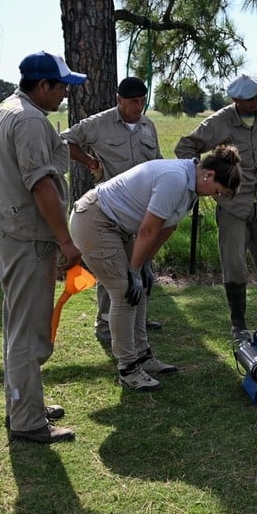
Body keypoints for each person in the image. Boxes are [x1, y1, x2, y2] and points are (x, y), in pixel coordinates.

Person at [0, 51, 94, 444]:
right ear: (43, 85)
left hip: (11, 232)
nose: (66, 93)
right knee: (29, 333)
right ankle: (28, 421)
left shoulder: (9, 108)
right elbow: (42, 186)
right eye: (62, 85)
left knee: (17, 326)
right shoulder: (30, 120)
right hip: (29, 238)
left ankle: (23, 404)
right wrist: (66, 241)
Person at [69, 145, 242, 391]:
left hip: (118, 226)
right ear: (209, 175)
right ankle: (128, 368)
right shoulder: (175, 179)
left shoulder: (192, 190)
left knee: (141, 288)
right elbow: (148, 229)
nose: (214, 197)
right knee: (124, 291)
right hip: (94, 219)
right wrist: (133, 269)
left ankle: (143, 356)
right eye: (217, 191)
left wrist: (145, 265)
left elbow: (164, 228)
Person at [174, 74, 257, 341]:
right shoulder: (219, 121)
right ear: (235, 100)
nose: (256, 103)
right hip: (232, 204)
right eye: (250, 99)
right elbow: (185, 147)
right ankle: (238, 323)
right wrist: (204, 180)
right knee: (234, 265)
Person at [61, 77, 165, 358]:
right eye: (133, 101)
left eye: (143, 101)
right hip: (110, 209)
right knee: (113, 268)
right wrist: (90, 162)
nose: (138, 106)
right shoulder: (99, 123)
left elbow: (157, 160)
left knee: (141, 265)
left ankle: (136, 321)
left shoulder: (147, 126)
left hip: (141, 209)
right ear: (119, 100)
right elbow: (66, 141)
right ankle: (105, 323)